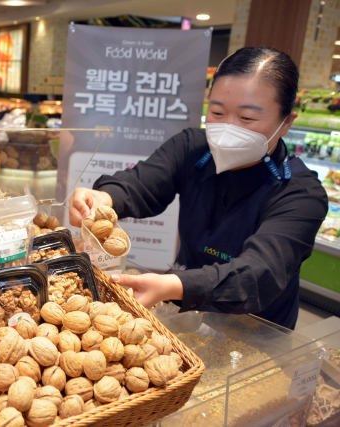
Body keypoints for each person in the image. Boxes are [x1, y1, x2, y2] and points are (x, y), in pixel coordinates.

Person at [69, 47, 328, 329]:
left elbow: (259, 273)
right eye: (217, 112)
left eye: (247, 119)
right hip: (187, 310)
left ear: (286, 122)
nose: (227, 128)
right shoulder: (192, 148)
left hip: (258, 327)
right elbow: (141, 184)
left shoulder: (301, 192)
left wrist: (174, 285)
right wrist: (103, 197)